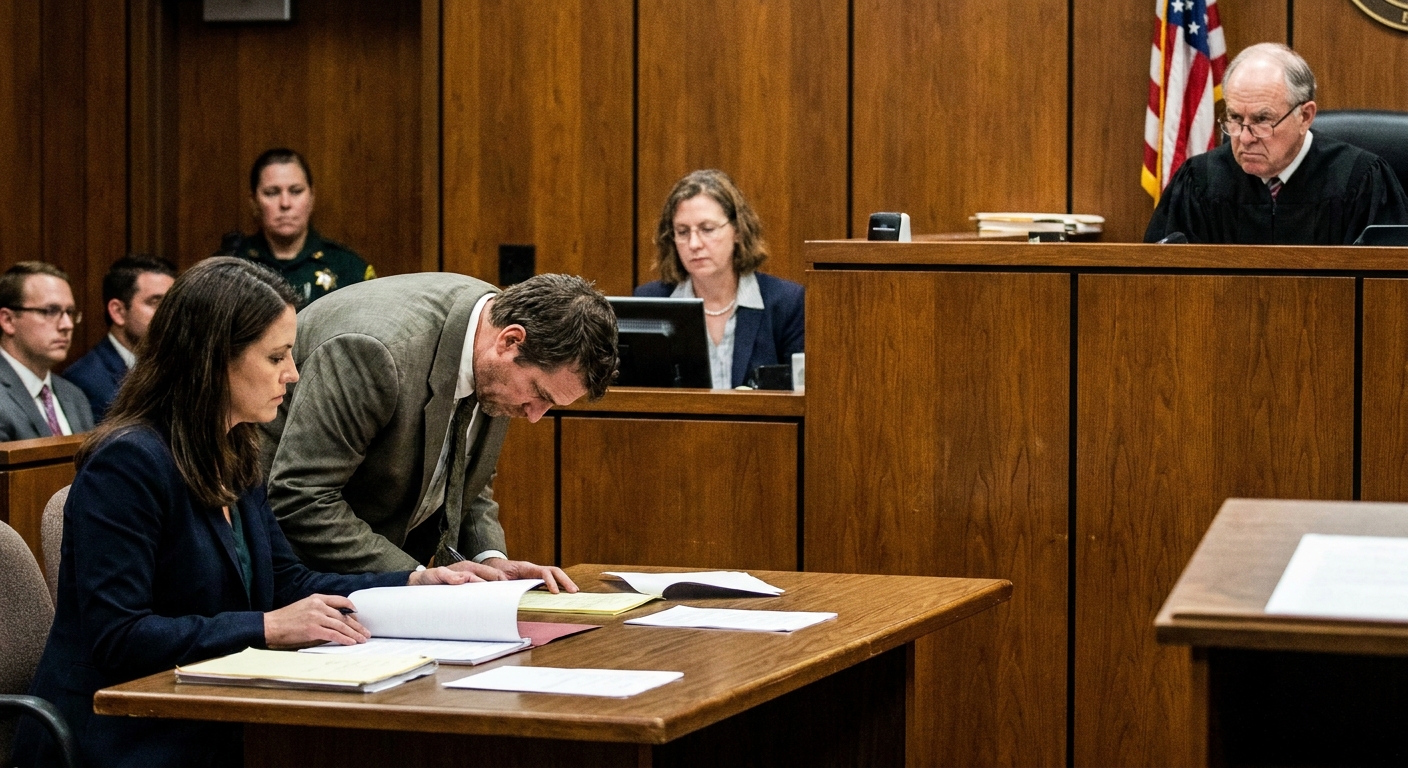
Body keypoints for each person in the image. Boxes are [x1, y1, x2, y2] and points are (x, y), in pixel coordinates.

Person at [12, 258, 477, 768]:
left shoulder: (233, 447)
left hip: (210, 711)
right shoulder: (127, 463)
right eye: (276, 356)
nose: (293, 373)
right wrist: (268, 628)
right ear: (214, 360)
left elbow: (285, 580)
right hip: (123, 731)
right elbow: (120, 636)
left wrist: (413, 584)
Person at [260, 272, 617, 591]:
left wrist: (489, 560)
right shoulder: (375, 352)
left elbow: (465, 477)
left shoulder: (490, 338)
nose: (536, 415)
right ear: (510, 341)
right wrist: (412, 575)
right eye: (540, 394)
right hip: (286, 576)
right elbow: (301, 496)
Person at [1145, 43, 1408, 244]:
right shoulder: (1199, 182)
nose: (1245, 138)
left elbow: (1388, 287)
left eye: (1262, 120)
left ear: (1304, 116)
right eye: (1235, 118)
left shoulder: (1361, 181)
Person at [635, 169, 804, 388]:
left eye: (707, 229)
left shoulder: (786, 303)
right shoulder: (651, 302)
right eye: (683, 232)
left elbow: (802, 398)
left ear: (738, 231)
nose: (694, 244)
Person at [220, 148, 375, 307]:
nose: (285, 203)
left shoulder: (348, 269)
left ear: (311, 197)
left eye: (296, 191)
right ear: (254, 202)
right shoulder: (229, 269)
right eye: (272, 193)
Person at [64, 254, 177, 422]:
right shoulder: (84, 380)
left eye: (173, 304)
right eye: (156, 302)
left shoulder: (173, 366)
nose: (170, 314)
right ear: (118, 311)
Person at [0, 262, 94, 440]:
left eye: (70, 312)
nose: (67, 325)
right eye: (50, 311)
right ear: (8, 320)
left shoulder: (74, 396)